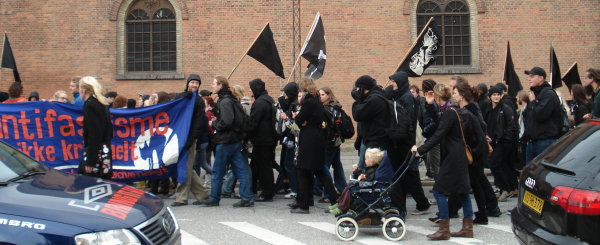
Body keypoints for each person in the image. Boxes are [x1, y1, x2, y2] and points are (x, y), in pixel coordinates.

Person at [411, 82, 485, 240]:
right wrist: (430, 106)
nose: (455, 94)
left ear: (437, 97)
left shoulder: (450, 113)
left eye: (456, 92)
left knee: (438, 191)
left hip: (453, 157)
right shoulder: (456, 111)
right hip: (459, 156)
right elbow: (438, 125)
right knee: (463, 191)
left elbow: (438, 134)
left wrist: (420, 149)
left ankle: (444, 229)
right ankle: (467, 227)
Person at [198, 76, 254, 208]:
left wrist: (214, 123)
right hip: (235, 140)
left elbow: (227, 121)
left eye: (214, 84)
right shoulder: (232, 100)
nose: (212, 86)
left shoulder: (225, 102)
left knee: (218, 171)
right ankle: (247, 197)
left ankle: (214, 198)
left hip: (225, 141)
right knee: (241, 170)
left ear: (220, 85)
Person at [289, 78, 338, 214]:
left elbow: (299, 120)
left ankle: (304, 205)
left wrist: (299, 119)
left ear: (303, 89)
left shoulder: (309, 102)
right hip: (317, 139)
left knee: (303, 170)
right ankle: (335, 201)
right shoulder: (316, 101)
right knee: (318, 171)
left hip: (309, 140)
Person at [387, 71, 430, 217]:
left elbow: (408, 121)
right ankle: (409, 203)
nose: (392, 84)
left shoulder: (407, 98)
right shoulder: (400, 95)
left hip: (405, 142)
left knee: (408, 173)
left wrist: (403, 138)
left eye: (394, 82)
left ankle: (420, 203)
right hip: (401, 141)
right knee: (405, 173)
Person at [171, 74, 210, 207]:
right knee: (186, 167)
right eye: (192, 82)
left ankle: (181, 197)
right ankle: (203, 194)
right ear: (188, 83)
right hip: (177, 138)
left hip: (188, 139)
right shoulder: (179, 96)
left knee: (185, 167)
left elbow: (198, 123)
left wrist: (191, 140)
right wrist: (183, 97)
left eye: (197, 83)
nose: (194, 85)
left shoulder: (199, 101)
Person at [523, 66, 563, 163]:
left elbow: (540, 115)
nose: (529, 79)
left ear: (541, 78)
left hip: (545, 141)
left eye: (532, 76)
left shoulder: (548, 94)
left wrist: (532, 102)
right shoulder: (535, 93)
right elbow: (528, 116)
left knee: (542, 173)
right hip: (532, 142)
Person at [485, 85, 518, 202]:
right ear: (490, 97)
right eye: (494, 95)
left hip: (503, 142)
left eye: (498, 95)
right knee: (499, 165)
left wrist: (506, 139)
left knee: (494, 163)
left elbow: (511, 126)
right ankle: (502, 188)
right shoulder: (489, 109)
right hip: (493, 142)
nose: (496, 97)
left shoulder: (505, 109)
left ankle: (506, 189)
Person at [78, 76, 113, 179]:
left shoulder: (90, 105)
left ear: (84, 90)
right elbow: (109, 131)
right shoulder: (101, 103)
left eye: (79, 88)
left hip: (96, 155)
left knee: (87, 184)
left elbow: (94, 135)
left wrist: (90, 161)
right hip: (104, 151)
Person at [248, 78, 277, 201]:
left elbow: (253, 123)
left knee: (264, 166)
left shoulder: (259, 103)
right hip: (269, 138)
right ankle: (252, 188)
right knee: (256, 165)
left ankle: (267, 192)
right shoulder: (269, 99)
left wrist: (246, 134)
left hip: (262, 139)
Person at [318, 87, 348, 199]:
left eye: (322, 94)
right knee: (337, 165)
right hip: (336, 140)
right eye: (319, 94)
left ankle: (328, 193)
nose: (320, 97)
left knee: (325, 167)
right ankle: (343, 188)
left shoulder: (326, 109)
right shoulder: (337, 107)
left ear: (328, 95)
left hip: (329, 141)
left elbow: (325, 127)